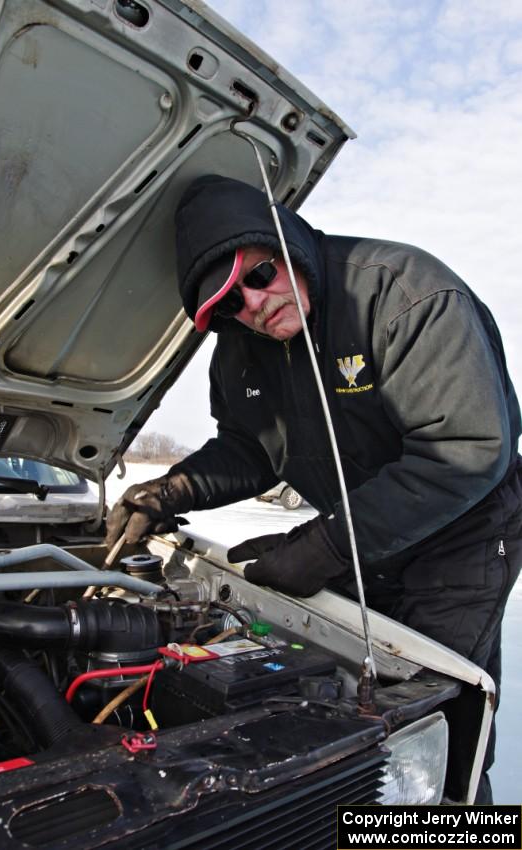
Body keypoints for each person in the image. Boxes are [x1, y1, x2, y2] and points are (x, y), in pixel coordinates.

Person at [106, 174, 522, 801]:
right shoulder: (244, 347)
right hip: (365, 529)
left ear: (286, 243)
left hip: (463, 534)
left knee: (430, 723)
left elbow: (463, 451)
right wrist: (169, 491)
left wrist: (323, 547)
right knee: (349, 699)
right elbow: (251, 448)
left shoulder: (402, 293)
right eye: (229, 303)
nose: (254, 304)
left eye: (259, 274)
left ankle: (460, 829)